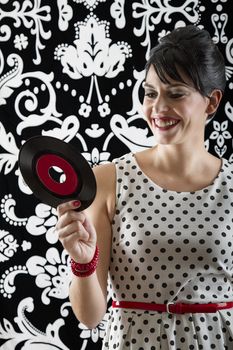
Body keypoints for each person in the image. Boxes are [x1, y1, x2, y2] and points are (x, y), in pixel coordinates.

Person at [56, 25, 233, 349]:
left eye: (175, 93)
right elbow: (91, 316)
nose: (158, 108)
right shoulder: (109, 180)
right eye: (151, 93)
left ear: (211, 103)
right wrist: (82, 262)